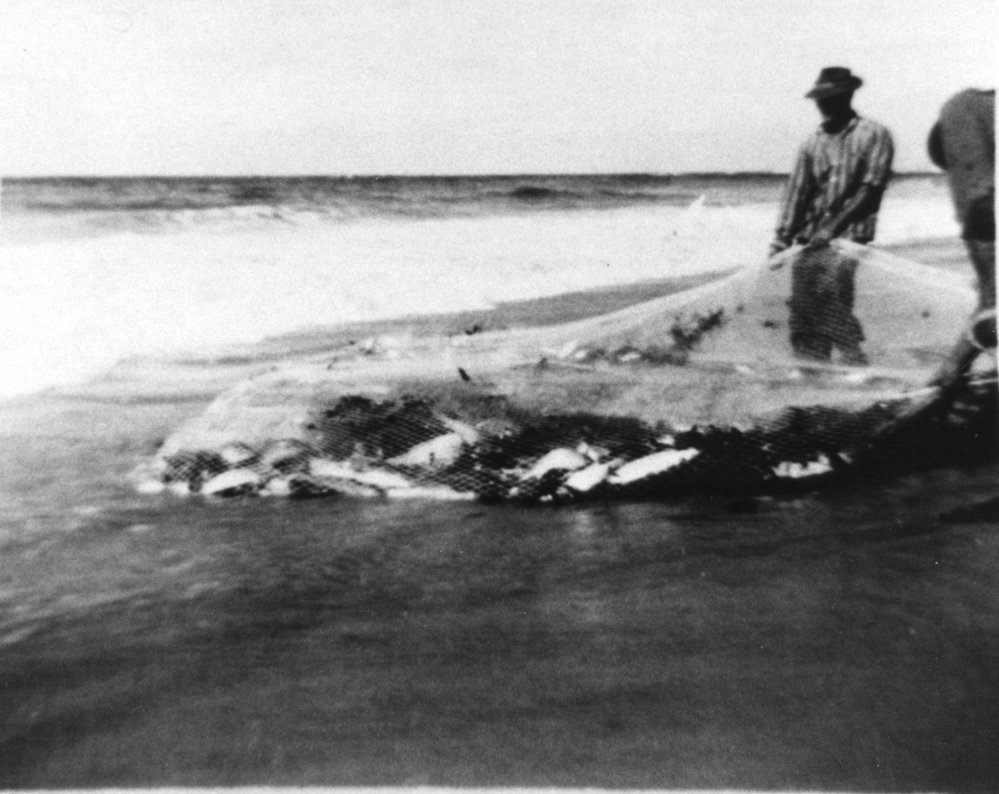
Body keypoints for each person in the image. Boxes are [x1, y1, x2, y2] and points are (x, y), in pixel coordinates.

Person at [769, 67, 895, 364]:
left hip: (849, 237)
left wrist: (831, 228)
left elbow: (871, 189)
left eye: (829, 98)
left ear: (847, 95)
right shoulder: (811, 142)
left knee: (832, 296)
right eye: (820, 99)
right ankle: (812, 366)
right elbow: (797, 194)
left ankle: (854, 360)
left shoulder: (874, 134)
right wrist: (780, 240)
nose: (822, 104)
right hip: (808, 240)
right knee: (802, 305)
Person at [926, 88, 996, 387]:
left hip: (981, 205)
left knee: (991, 301)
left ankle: (950, 374)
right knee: (991, 302)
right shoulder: (967, 108)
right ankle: (950, 373)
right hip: (982, 207)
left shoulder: (964, 108)